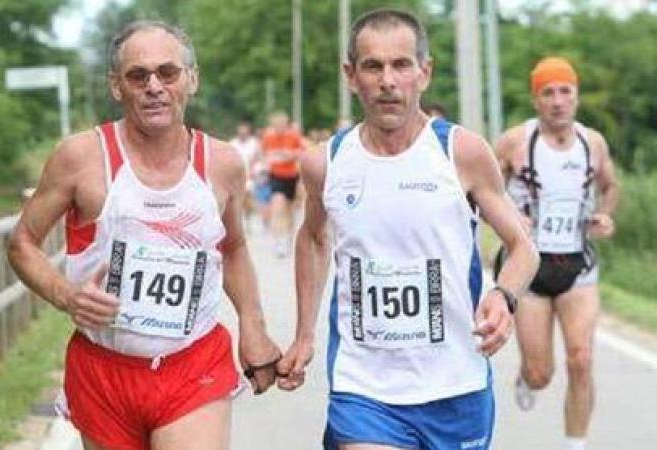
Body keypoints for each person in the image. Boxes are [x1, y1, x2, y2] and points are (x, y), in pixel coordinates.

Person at [7, 20, 281, 450]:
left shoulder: (223, 162)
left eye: (167, 73)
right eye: (138, 76)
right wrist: (65, 294)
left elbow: (233, 247)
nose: (154, 85)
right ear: (117, 86)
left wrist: (253, 325)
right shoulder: (80, 158)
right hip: (104, 371)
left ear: (192, 79)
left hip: (193, 365)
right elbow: (22, 242)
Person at [277, 9, 539, 450]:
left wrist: (503, 296)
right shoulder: (326, 162)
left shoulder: (460, 152)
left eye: (401, 65)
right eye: (372, 66)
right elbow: (315, 237)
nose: (387, 80)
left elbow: (522, 247)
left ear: (424, 72)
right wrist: (305, 334)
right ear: (350, 75)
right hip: (364, 389)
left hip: (456, 386)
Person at [494, 56, 619, 450]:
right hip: (528, 268)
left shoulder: (592, 142)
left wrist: (604, 215)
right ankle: (526, 377)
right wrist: (508, 221)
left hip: (577, 264)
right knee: (540, 374)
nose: (558, 101)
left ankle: (574, 445)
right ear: (536, 100)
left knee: (581, 359)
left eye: (566, 91)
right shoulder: (514, 142)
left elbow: (610, 186)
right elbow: (478, 195)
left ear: (576, 96)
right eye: (548, 92)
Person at [261, 111, 304, 257]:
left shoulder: (293, 136)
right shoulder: (268, 137)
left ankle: (288, 238)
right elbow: (264, 154)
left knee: (289, 211)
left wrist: (289, 155)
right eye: (276, 126)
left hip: (292, 176)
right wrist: (266, 164)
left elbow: (302, 152)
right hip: (275, 176)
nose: (279, 128)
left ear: (286, 125)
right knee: (278, 207)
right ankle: (279, 242)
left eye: (282, 126)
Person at [229, 122, 261, 229]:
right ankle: (240, 219)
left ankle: (248, 217)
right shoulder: (233, 143)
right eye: (241, 132)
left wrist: (252, 169)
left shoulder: (254, 143)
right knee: (238, 198)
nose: (242, 134)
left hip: (250, 174)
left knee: (247, 195)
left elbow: (257, 157)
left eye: (244, 132)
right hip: (236, 175)